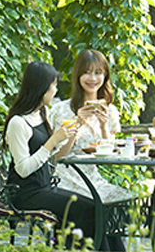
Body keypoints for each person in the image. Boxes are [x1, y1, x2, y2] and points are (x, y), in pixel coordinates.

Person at [5, 60, 125, 252]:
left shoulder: (41, 114)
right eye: (53, 86)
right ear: (41, 88)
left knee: (97, 208)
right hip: (26, 194)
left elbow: (54, 157)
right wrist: (52, 141)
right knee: (86, 211)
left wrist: (77, 124)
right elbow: (23, 169)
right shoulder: (18, 123)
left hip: (45, 186)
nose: (55, 91)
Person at [47, 49, 136, 204]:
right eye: (87, 72)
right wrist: (77, 124)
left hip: (94, 179)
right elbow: (58, 157)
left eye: (98, 73)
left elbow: (110, 156)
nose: (93, 78)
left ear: (105, 76)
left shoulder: (110, 111)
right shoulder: (61, 110)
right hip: (66, 179)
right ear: (78, 76)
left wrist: (103, 127)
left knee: (126, 198)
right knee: (94, 204)